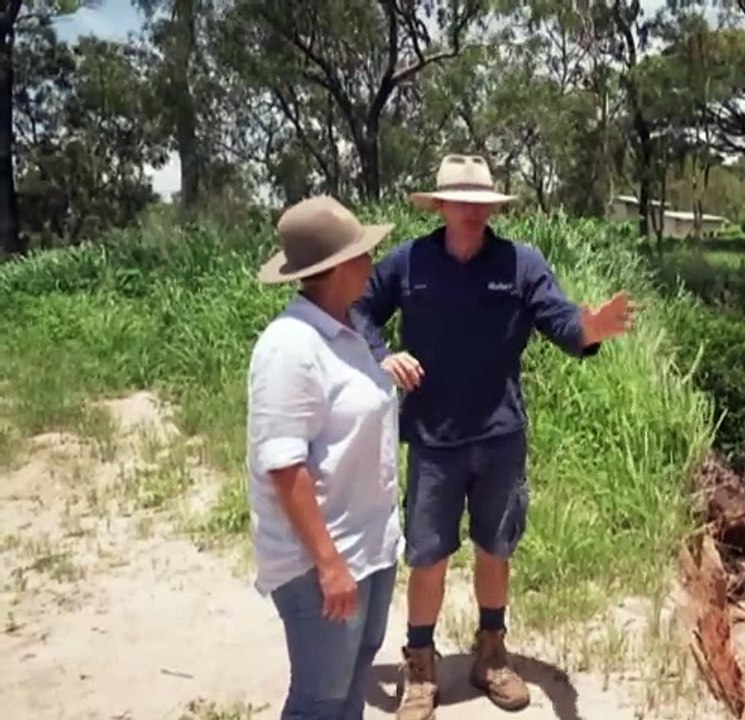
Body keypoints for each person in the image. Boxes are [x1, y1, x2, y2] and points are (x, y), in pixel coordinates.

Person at [352, 154, 634, 719]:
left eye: (482, 204)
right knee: (428, 556)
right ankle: (421, 665)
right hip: (433, 438)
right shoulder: (409, 263)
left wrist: (591, 330)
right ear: (441, 206)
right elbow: (359, 310)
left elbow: (559, 319)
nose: (473, 212)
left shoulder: (520, 263)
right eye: (462, 202)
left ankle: (491, 653)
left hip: (500, 435)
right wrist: (382, 355)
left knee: (494, 549)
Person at [247, 195, 403, 720]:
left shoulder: (349, 331)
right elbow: (284, 465)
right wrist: (329, 564)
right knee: (319, 696)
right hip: (321, 560)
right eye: (364, 254)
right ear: (337, 267)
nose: (372, 263)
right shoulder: (289, 346)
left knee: (351, 679)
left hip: (369, 547)